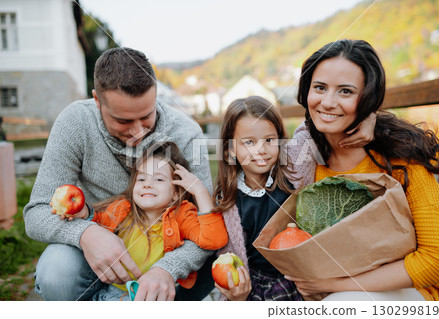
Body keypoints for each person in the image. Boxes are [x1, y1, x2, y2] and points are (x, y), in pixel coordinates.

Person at [24, 47, 215, 301]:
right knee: (56, 270)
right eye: (123, 121)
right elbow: (36, 212)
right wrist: (85, 234)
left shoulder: (187, 132)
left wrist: (167, 269)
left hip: (168, 258)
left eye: (146, 116)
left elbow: (207, 221)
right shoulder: (75, 123)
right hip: (94, 254)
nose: (137, 130)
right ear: (97, 100)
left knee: (213, 257)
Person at [285, 39, 439, 301]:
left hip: (405, 292)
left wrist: (335, 286)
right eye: (320, 87)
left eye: (346, 91)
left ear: (368, 98)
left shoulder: (398, 159)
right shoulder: (303, 160)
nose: (327, 102)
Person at [211, 96, 374, 300]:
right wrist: (236, 295)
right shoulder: (227, 201)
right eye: (249, 142)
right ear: (230, 151)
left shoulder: (293, 169)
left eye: (269, 140)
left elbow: (315, 123)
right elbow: (229, 256)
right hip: (255, 284)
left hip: (300, 278)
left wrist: (370, 116)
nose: (261, 149)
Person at [59, 142, 228, 301]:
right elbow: (98, 221)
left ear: (176, 193)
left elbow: (214, 239)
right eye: (141, 179)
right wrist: (84, 212)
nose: (147, 184)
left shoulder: (181, 216)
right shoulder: (122, 209)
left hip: (156, 296)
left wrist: (200, 191)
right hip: (112, 292)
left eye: (158, 179)